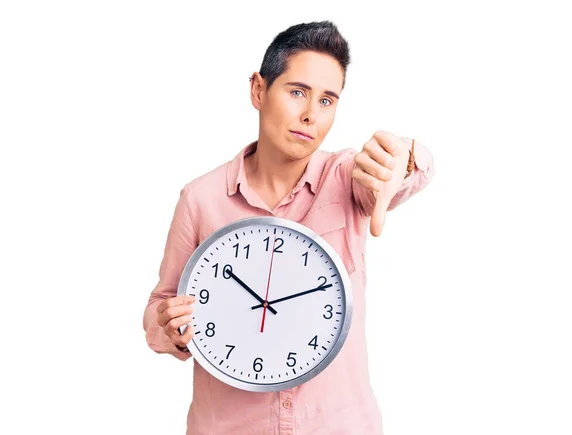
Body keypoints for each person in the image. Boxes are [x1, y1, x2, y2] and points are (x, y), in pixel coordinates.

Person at [143, 20, 435, 435]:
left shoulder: (350, 178)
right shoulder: (201, 199)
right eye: (297, 92)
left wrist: (402, 158)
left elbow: (409, 170)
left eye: (327, 100)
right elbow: (159, 307)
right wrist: (168, 326)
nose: (310, 115)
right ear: (259, 90)